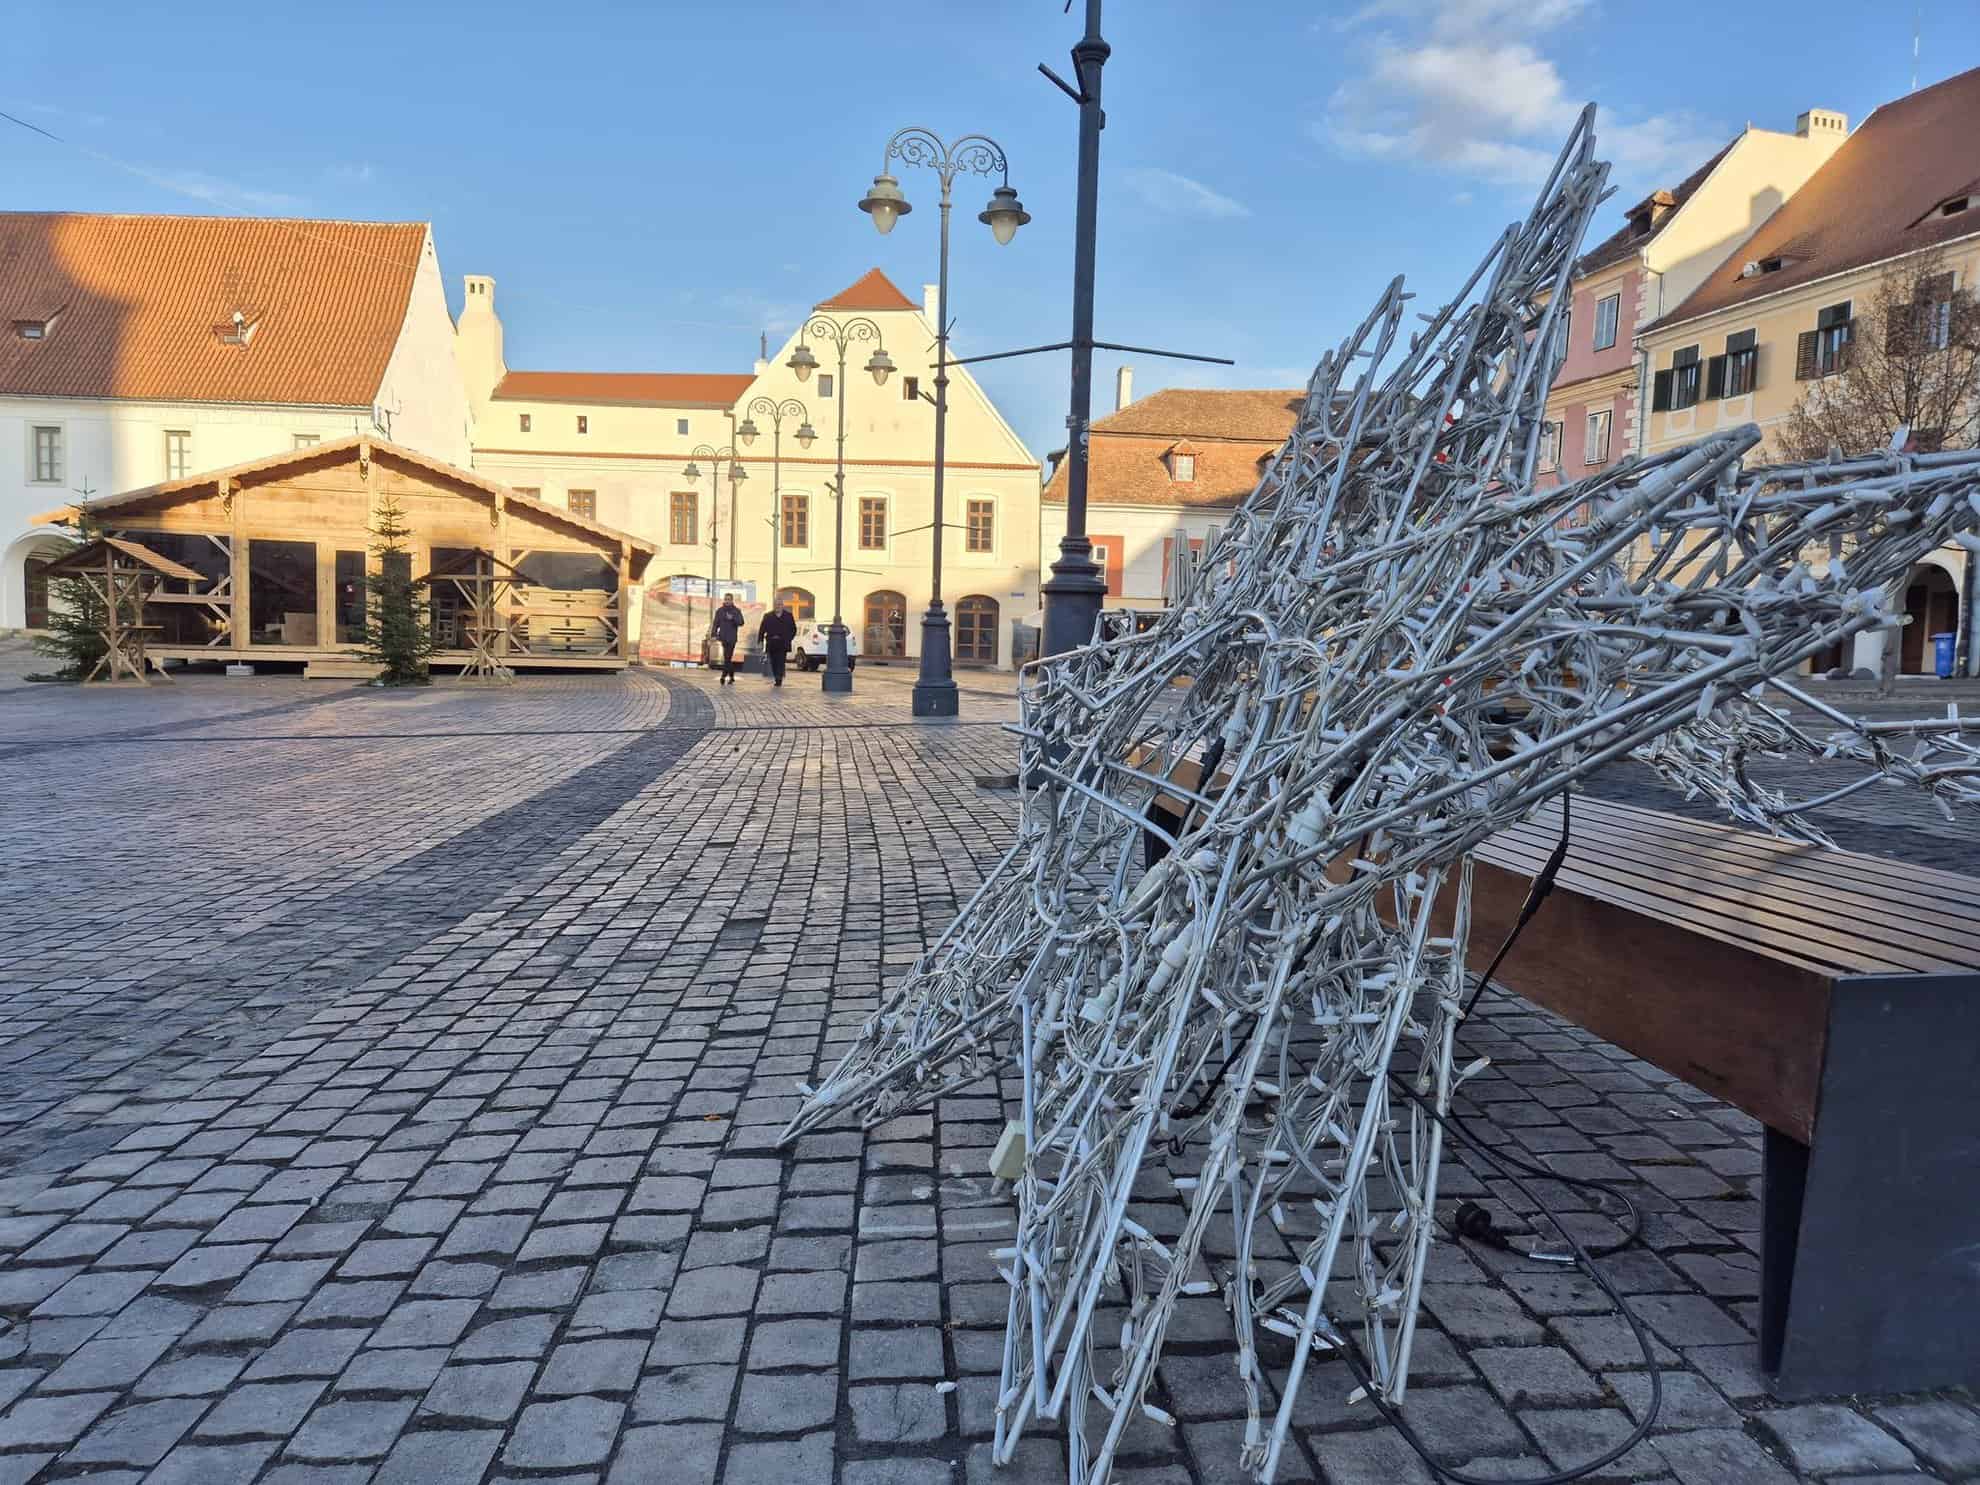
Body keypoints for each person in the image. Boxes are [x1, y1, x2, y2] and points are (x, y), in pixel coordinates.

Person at [759, 602, 796, 687]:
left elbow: (793, 629)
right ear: (774, 606)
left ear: (782, 606)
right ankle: (776, 676)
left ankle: (779, 679)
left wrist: (789, 638)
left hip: (783, 643)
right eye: (776, 605)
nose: (778, 607)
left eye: (779, 605)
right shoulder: (768, 616)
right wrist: (760, 640)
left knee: (781, 661)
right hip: (772, 642)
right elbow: (762, 629)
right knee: (774, 661)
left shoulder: (788, 616)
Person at [711, 594, 745, 685]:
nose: (727, 601)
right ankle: (731, 676)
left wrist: (733, 618)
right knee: (727, 658)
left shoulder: (736, 611)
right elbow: (715, 624)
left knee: (727, 657)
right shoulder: (720, 611)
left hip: (732, 638)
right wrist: (713, 634)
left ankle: (723, 676)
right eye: (726, 599)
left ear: (732, 600)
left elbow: (741, 622)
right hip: (722, 637)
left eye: (729, 599)